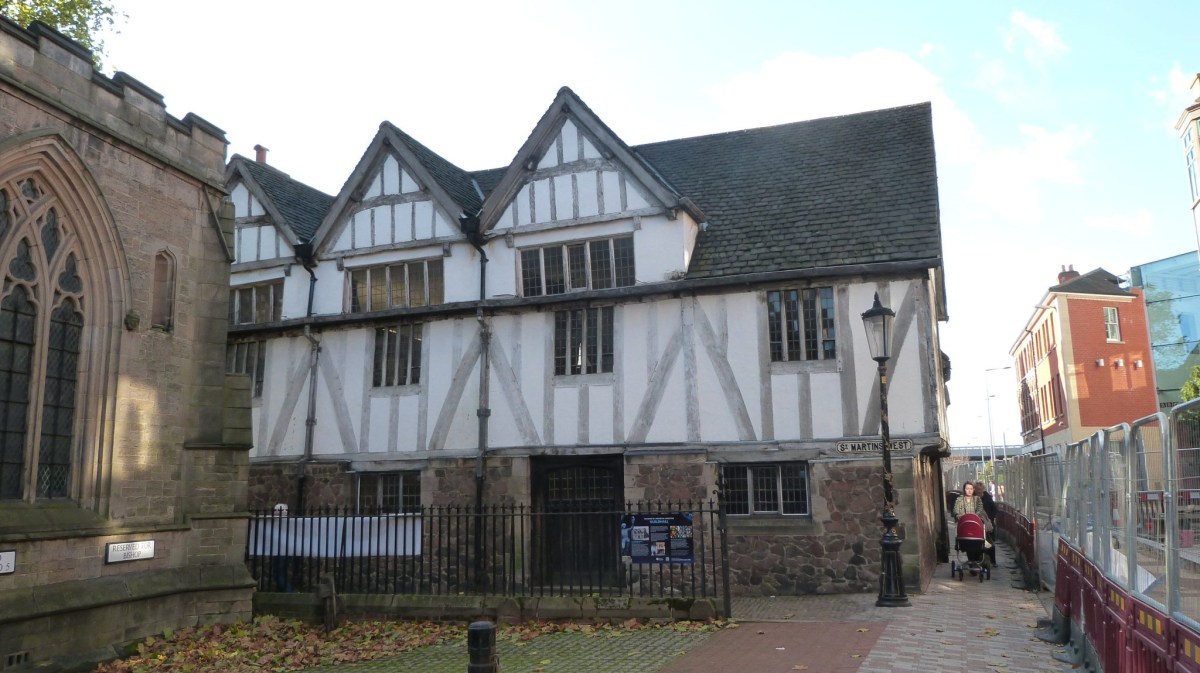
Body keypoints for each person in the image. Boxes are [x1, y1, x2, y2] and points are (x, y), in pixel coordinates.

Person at [974, 480, 998, 565]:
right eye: (977, 489)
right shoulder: (972, 497)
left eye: (980, 489)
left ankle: (992, 560)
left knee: (990, 541)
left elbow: (994, 509)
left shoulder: (987, 497)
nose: (978, 491)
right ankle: (978, 557)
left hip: (987, 522)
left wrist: (990, 518)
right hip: (976, 522)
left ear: (983, 489)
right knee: (977, 540)